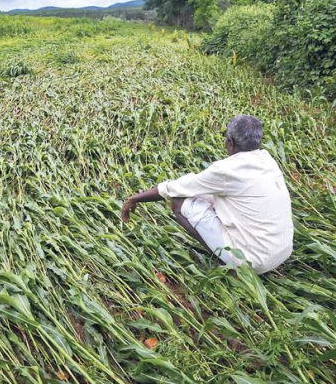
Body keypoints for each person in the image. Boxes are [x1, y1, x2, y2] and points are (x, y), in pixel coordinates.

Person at [121, 115, 293, 274]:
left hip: (253, 261)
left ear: (230, 142)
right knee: (212, 197)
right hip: (281, 251)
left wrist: (134, 198)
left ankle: (228, 264)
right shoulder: (268, 160)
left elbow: (176, 188)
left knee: (178, 201)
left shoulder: (227, 170)